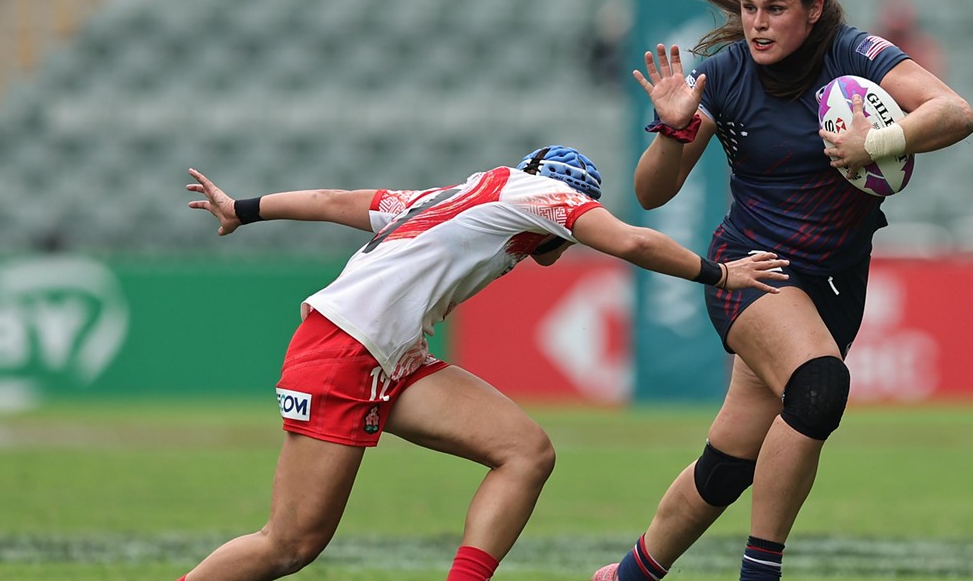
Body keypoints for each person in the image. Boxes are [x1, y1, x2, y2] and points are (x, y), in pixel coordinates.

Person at [175, 145, 789, 581]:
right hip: (346, 350)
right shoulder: (541, 195)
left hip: (389, 356)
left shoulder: (462, 193)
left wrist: (246, 208)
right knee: (290, 544)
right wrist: (721, 272)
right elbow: (629, 240)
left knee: (526, 452)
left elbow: (338, 200)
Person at [593, 0, 973, 581]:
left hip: (835, 285)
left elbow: (955, 112)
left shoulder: (855, 53)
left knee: (728, 465)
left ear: (814, 9)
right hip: (753, 270)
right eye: (748, 8)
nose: (758, 23)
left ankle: (628, 575)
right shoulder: (724, 72)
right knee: (820, 388)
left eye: (774, 9)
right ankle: (760, 572)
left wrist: (875, 141)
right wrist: (674, 129)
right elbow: (652, 193)